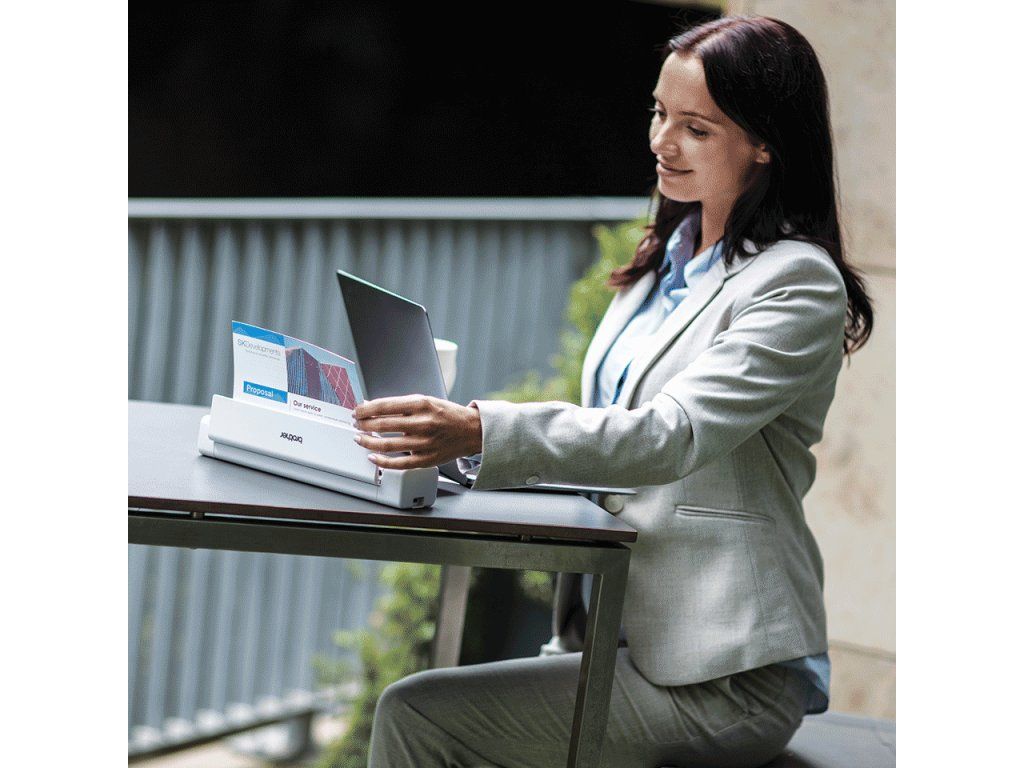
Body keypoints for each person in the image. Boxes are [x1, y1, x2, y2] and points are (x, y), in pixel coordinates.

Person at [351, 14, 874, 768]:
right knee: (430, 711)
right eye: (660, 113)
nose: (662, 141)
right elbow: (608, 431)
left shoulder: (795, 283)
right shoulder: (667, 259)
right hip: (613, 638)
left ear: (766, 142)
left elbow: (669, 435)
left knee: (415, 716)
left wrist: (480, 430)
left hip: (722, 676)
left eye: (696, 128)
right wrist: (463, 454)